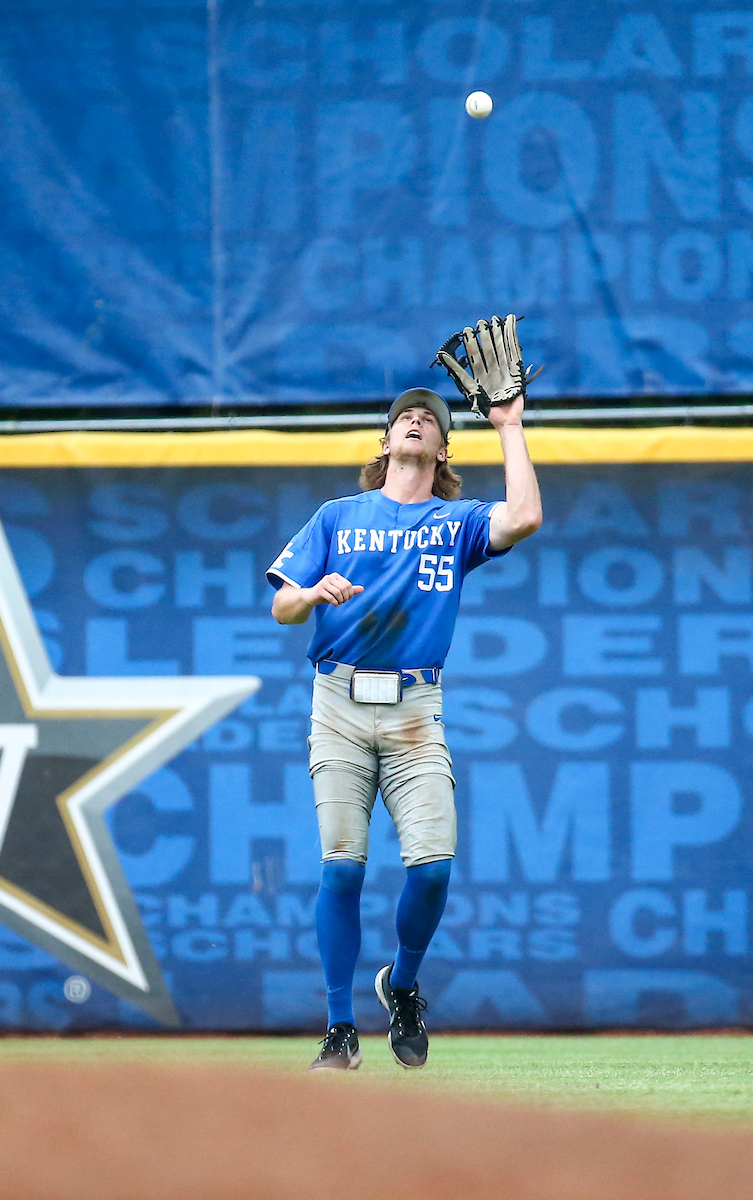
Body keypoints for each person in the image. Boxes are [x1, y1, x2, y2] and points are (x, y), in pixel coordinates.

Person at [267, 380, 542, 1070]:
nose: (416, 421)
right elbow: (282, 609)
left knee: (433, 870)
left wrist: (509, 424)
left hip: (417, 709)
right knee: (341, 868)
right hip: (338, 702)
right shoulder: (337, 516)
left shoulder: (457, 522)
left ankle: (404, 984)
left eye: (429, 420)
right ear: (386, 442)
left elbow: (526, 518)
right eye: (404, 417)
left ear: (443, 448)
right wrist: (308, 592)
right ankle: (339, 1028)